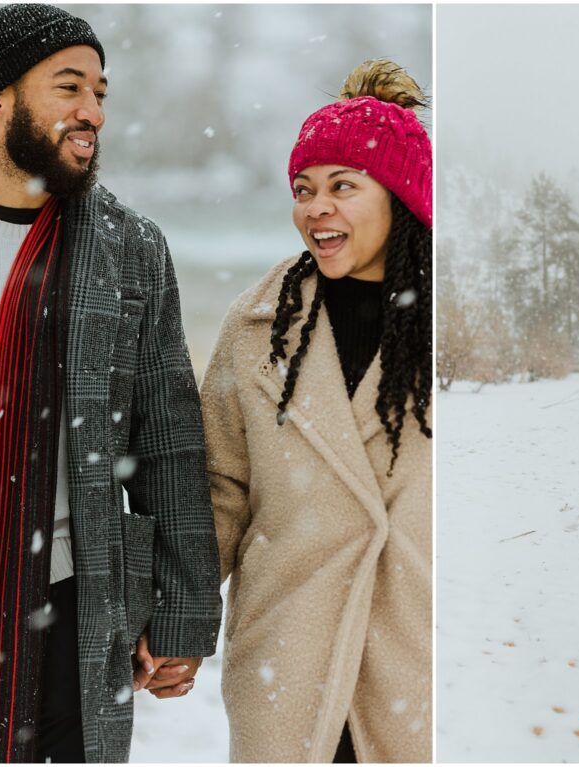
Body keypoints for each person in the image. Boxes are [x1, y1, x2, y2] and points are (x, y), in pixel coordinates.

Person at [0, 5, 221, 762]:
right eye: (69, 87)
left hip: (68, 604)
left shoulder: (130, 250)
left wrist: (183, 616)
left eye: (100, 92)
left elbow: (168, 439)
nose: (92, 112)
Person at [200, 60, 432, 763]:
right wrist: (171, 624)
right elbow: (219, 492)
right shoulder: (255, 326)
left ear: (400, 197)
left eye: (342, 187)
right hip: (287, 657)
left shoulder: (450, 329)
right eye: (303, 190)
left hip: (412, 661)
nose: (314, 207)